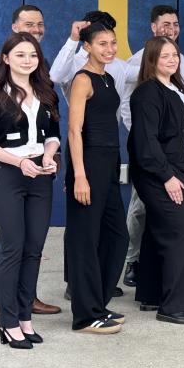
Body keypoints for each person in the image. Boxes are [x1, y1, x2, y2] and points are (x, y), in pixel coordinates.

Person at [0, 33, 60, 348]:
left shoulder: (45, 90)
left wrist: (50, 156)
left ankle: (25, 317)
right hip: (8, 175)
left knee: (34, 248)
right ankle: (8, 322)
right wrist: (19, 162)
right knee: (12, 248)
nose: (27, 60)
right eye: (20, 55)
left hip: (40, 175)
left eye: (33, 55)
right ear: (7, 58)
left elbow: (52, 134)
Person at [127, 37, 184, 324]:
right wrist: (167, 176)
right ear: (152, 60)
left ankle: (151, 294)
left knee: (158, 231)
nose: (172, 59)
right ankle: (174, 307)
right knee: (180, 235)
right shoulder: (147, 93)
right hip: (164, 173)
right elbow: (146, 142)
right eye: (165, 55)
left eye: (175, 54)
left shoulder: (176, 87)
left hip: (181, 168)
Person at [65, 22, 128, 333]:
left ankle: (98, 304)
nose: (110, 49)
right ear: (87, 46)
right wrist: (79, 175)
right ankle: (85, 316)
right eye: (102, 44)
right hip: (87, 163)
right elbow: (74, 130)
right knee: (85, 240)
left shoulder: (109, 78)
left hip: (109, 164)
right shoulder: (82, 80)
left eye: (113, 43)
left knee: (118, 236)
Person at [121, 4, 184, 289]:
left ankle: (151, 264)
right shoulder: (138, 62)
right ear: (153, 27)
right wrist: (145, 140)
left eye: (175, 24)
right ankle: (132, 261)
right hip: (151, 151)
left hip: (174, 151)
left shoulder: (179, 59)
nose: (171, 29)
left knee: (161, 213)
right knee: (140, 208)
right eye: (165, 24)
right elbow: (128, 107)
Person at [50, 10, 129, 102]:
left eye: (113, 41)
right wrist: (74, 38)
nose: (110, 49)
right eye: (102, 42)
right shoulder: (73, 64)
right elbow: (55, 76)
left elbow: (144, 71)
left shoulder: (118, 64)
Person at [0, 5, 47, 82]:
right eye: (29, 24)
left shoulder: (44, 63)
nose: (37, 29)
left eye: (40, 24)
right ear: (15, 28)